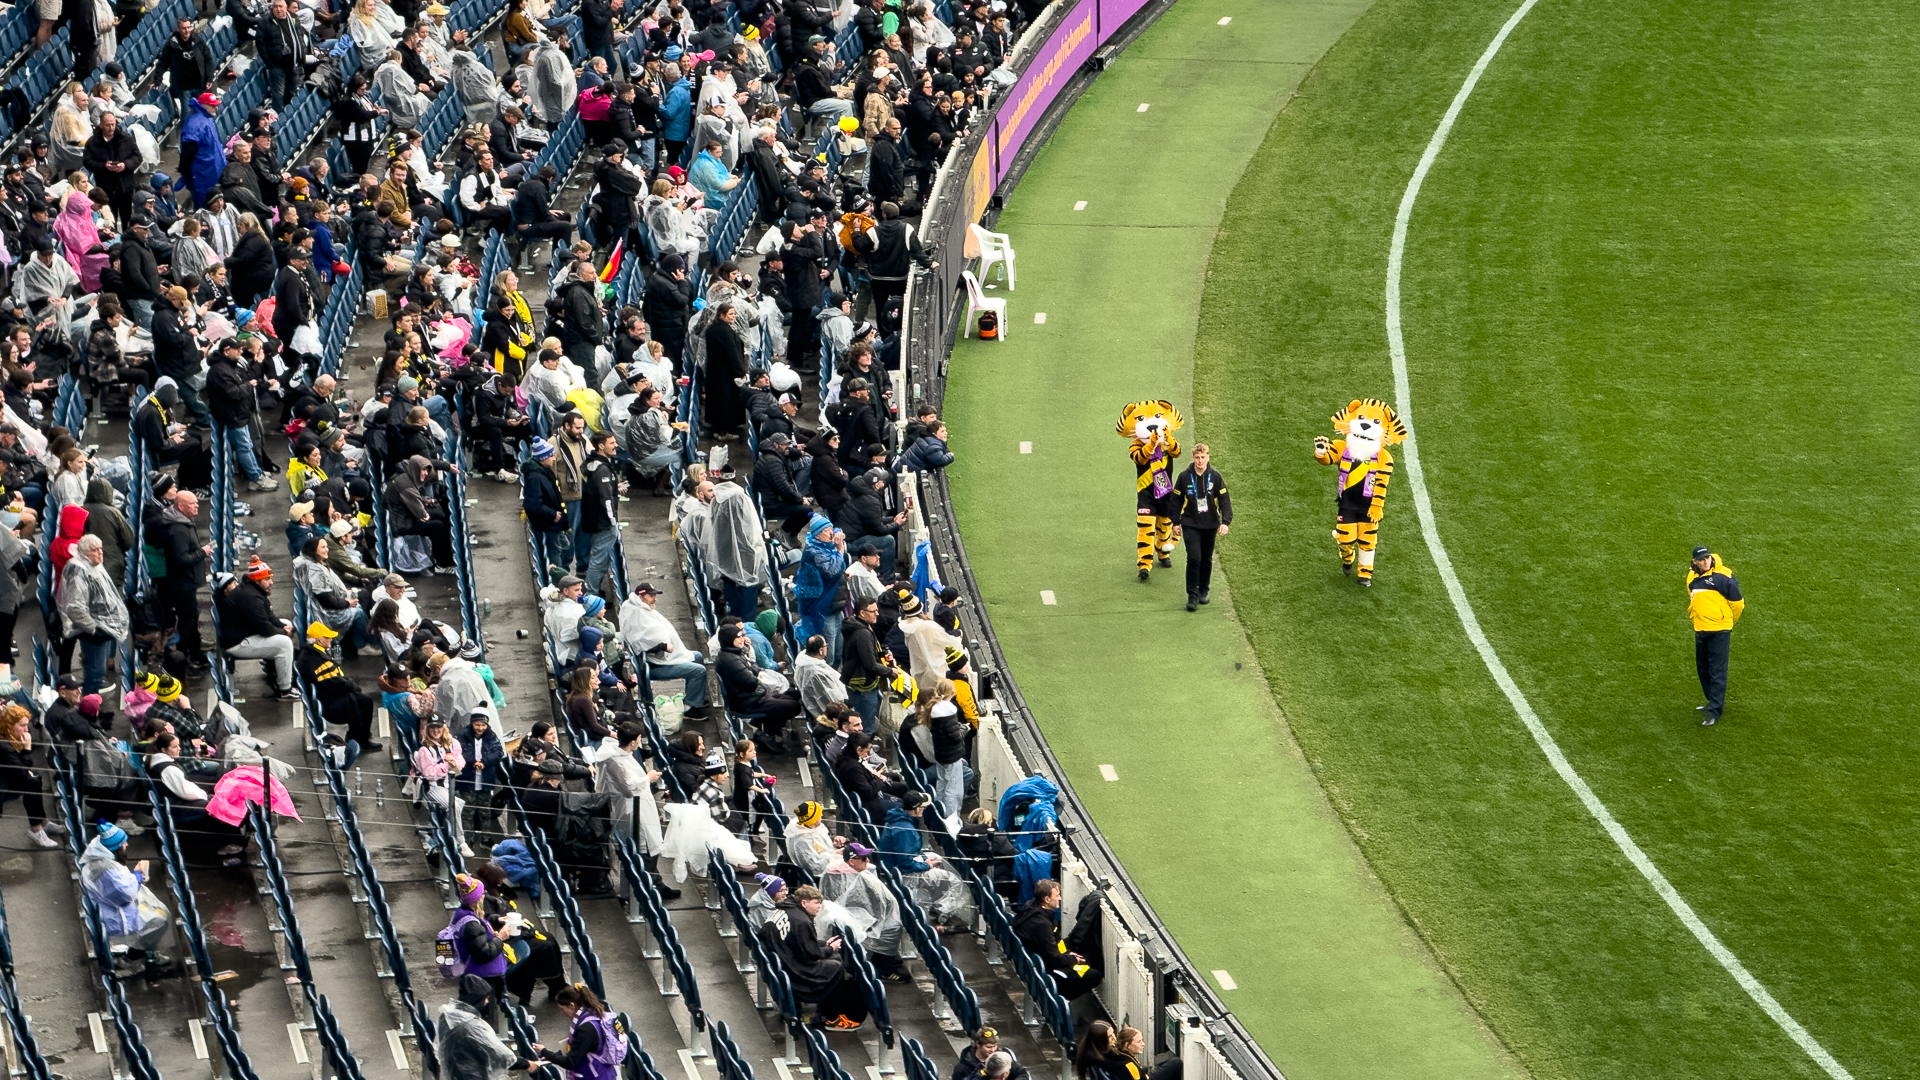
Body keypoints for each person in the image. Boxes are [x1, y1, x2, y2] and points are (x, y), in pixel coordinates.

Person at [79, 821, 179, 982]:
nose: (126, 845)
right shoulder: (106, 868)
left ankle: (143, 952)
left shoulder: (99, 862)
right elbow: (125, 895)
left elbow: (118, 887)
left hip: (106, 909)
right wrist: (137, 876)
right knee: (160, 921)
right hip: (115, 918)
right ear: (115, 847)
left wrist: (134, 877)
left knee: (157, 915)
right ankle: (133, 960)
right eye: (123, 843)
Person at [757, 884, 865, 1030]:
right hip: (795, 973)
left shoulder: (786, 909)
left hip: (782, 961)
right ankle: (834, 1016)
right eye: (816, 903)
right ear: (804, 903)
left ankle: (826, 1008)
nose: (819, 907)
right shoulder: (802, 921)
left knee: (834, 959)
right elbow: (813, 954)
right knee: (836, 966)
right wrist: (831, 948)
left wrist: (825, 943)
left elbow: (800, 942)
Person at [618, 582, 712, 718]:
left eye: (655, 596)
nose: (654, 599)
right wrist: (662, 646)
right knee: (699, 670)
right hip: (652, 666)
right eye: (651, 596)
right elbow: (639, 644)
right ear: (641, 596)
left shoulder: (641, 608)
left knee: (697, 656)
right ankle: (691, 709)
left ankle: (695, 699)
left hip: (656, 660)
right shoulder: (635, 613)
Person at [214, 565, 301, 700]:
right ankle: (285, 689)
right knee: (284, 643)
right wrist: (284, 633)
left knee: (286, 623)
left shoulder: (253, 590)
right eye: (267, 579)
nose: (271, 582)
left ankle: (274, 667)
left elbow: (269, 616)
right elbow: (265, 628)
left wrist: (283, 627)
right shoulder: (251, 597)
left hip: (245, 633)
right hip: (237, 643)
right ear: (257, 580)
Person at [434, 974, 540, 1080]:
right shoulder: (472, 1027)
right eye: (486, 998)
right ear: (478, 1000)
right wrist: (526, 1064)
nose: (488, 1002)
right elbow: (501, 1055)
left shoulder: (447, 1016)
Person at [59, 535, 128, 693]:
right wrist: (93, 629)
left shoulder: (91, 566)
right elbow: (75, 607)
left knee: (98, 671)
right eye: (94, 550)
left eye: (100, 549)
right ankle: (89, 703)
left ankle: (91, 702)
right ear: (84, 552)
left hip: (101, 626)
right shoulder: (78, 571)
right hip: (92, 631)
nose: (100, 553)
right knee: (95, 674)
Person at [298, 621, 380, 753]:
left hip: (326, 696)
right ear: (319, 640)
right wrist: (353, 686)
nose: (330, 639)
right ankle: (361, 740)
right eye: (327, 637)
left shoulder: (311, 654)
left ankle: (355, 736)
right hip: (330, 704)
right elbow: (336, 684)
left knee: (359, 698)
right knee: (365, 702)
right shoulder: (318, 661)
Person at [1014, 878, 1100, 1000]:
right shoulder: (1042, 924)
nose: (1060, 898)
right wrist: (1072, 959)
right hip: (1047, 970)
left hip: (1036, 962)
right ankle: (1059, 1001)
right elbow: (1054, 958)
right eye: (1057, 895)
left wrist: (1068, 954)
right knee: (1094, 975)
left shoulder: (1031, 908)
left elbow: (1053, 946)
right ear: (1047, 899)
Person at [1170, 442, 1231, 612]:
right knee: (1194, 558)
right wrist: (1175, 522)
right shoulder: (1184, 477)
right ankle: (1192, 595)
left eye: (1203, 457)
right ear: (1193, 458)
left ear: (1208, 457)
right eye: (1197, 457)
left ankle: (1203, 590)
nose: (1199, 460)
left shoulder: (1215, 477)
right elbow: (1175, 501)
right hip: (1190, 524)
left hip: (1210, 525)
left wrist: (1225, 522)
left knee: (1206, 559)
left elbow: (1225, 500)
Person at [1686, 546, 1743, 727]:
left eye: (1707, 558)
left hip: (1720, 630)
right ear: (1694, 562)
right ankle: (1711, 701)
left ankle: (1714, 711)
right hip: (1700, 628)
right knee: (1703, 669)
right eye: (1701, 560)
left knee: (1717, 672)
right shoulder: (1692, 577)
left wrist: (1727, 621)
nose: (1705, 562)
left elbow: (1738, 604)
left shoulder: (1723, 577)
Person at [532, 983, 626, 1080]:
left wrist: (544, 1051)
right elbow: (577, 1048)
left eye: (562, 1009)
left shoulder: (585, 1029)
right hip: (603, 1073)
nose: (561, 1013)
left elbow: (570, 1062)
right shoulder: (591, 1013)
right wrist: (553, 1055)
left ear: (571, 1006)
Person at [446, 873, 514, 1001]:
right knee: (487, 1007)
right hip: (483, 978)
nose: (484, 895)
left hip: (478, 974)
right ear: (478, 898)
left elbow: (481, 921)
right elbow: (483, 954)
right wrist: (500, 938)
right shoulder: (472, 925)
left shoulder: (463, 912)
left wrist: (496, 919)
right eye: (483, 893)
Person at [0, 704, 60, 849]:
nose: (26, 729)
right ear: (10, 725)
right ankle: (36, 828)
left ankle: (41, 823)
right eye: (22, 725)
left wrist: (25, 768)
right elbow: (20, 769)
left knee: (34, 781)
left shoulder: (10, 737)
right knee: (31, 783)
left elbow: (19, 766)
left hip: (7, 777)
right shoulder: (3, 744)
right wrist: (27, 749)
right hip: (2, 785)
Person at [952, 1029, 1030, 1080]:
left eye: (994, 1046)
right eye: (988, 1047)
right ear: (978, 1044)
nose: (993, 1050)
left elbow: (1022, 1073)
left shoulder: (1003, 1058)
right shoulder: (962, 1069)